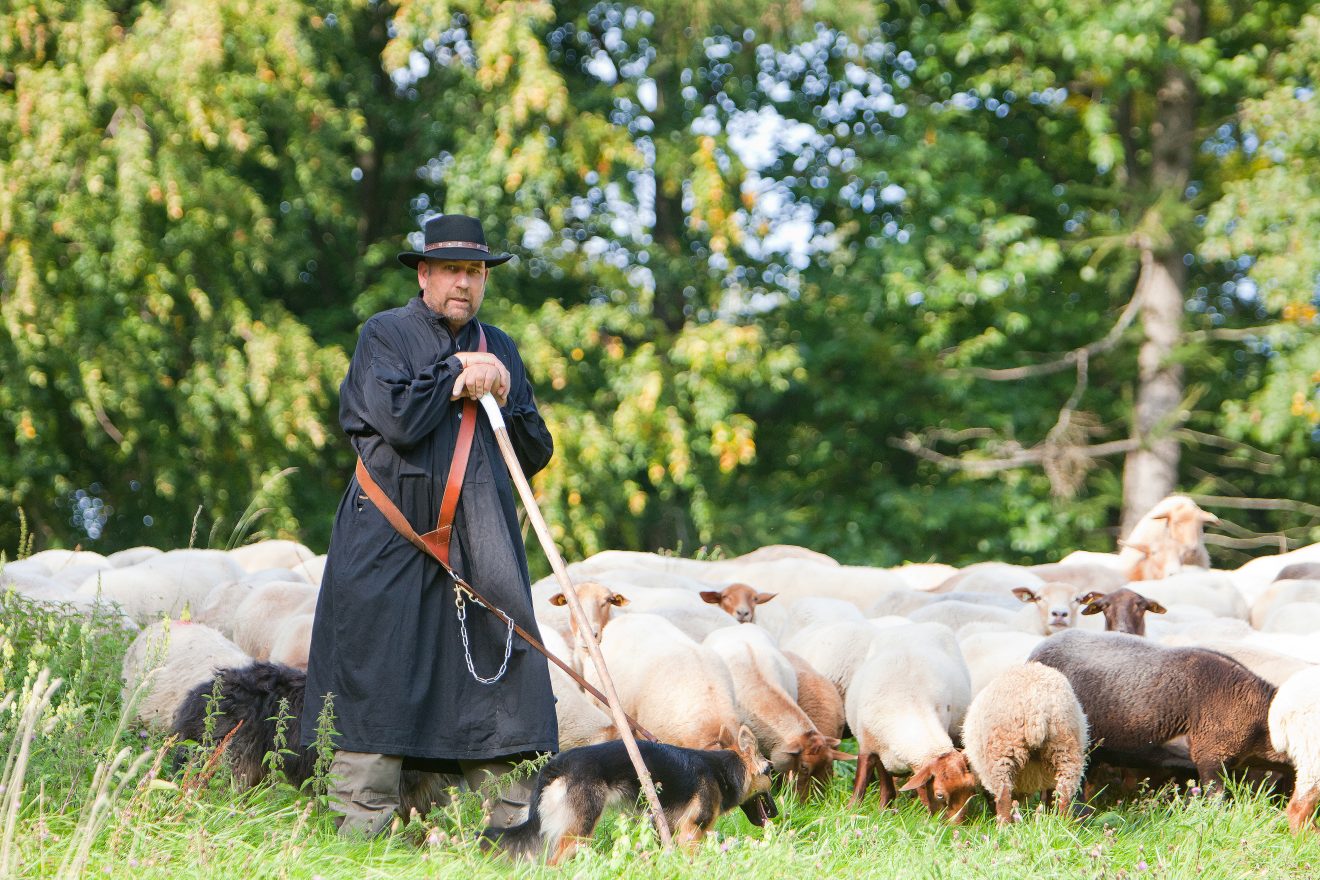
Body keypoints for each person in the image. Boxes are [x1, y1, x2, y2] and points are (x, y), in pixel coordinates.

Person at [300, 213, 558, 837]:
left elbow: (533, 451)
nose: (463, 284)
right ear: (423, 274)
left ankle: (510, 835)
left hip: (484, 550)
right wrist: (455, 377)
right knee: (379, 682)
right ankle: (363, 839)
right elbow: (397, 421)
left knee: (501, 687)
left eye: (474, 272)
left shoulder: (502, 347)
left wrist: (504, 393)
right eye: (450, 270)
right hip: (388, 547)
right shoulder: (383, 336)